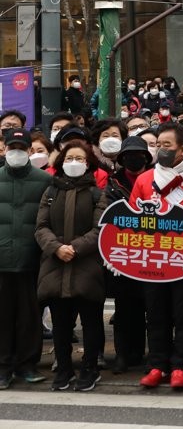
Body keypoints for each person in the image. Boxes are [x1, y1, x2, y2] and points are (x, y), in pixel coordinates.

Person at [132, 122, 183, 391]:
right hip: (153, 259)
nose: (161, 150)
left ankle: (181, 365)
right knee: (155, 313)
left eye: (167, 145)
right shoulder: (145, 179)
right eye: (157, 145)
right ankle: (157, 364)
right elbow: (133, 217)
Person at [35, 140, 107, 392]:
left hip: (87, 266)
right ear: (61, 162)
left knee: (91, 321)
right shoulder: (51, 191)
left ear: (88, 163)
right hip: (55, 265)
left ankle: (90, 368)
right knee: (61, 323)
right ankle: (64, 368)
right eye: (68, 158)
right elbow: (41, 227)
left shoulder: (98, 193)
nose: (73, 163)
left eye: (79, 158)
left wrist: (75, 248)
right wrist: (56, 248)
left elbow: (100, 229)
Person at [0, 128, 52, 389]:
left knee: (30, 317)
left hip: (32, 259)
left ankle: (27, 365)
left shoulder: (44, 180)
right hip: (1, 261)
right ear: (4, 149)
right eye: (12, 148)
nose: (17, 153)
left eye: (22, 148)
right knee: (3, 316)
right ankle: (3, 367)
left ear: (30, 150)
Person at [102, 137, 152, 375]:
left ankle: (144, 354)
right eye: (129, 155)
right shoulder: (113, 184)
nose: (134, 159)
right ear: (121, 159)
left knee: (150, 308)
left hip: (153, 253)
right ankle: (122, 355)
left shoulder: (157, 179)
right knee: (124, 309)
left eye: (139, 155)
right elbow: (109, 215)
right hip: (124, 253)